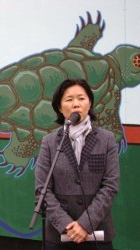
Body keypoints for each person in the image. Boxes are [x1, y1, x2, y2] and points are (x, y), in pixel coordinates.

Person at [35, 78, 120, 250]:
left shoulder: (106, 139)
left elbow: (110, 186)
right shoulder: (50, 142)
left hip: (98, 232)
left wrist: (85, 224)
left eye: (81, 98)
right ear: (59, 107)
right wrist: (67, 225)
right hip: (59, 235)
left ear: (89, 103)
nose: (76, 104)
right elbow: (42, 189)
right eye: (69, 99)